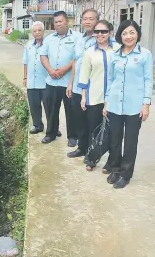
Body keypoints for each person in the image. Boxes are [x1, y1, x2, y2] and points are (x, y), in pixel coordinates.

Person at [103, 20, 153, 188]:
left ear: (137, 34)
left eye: (132, 32)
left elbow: (148, 80)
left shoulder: (145, 54)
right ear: (120, 36)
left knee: (130, 141)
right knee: (115, 139)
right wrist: (106, 102)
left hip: (134, 106)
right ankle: (115, 169)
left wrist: (146, 104)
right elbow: (110, 80)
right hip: (115, 104)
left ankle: (126, 174)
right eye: (125, 33)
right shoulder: (115, 55)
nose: (128, 36)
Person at [78, 20, 121, 171]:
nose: (100, 34)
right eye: (97, 32)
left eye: (103, 31)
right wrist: (83, 97)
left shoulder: (118, 49)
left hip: (115, 98)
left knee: (114, 131)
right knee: (94, 130)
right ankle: (92, 159)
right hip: (95, 97)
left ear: (110, 32)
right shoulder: (89, 52)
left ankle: (111, 162)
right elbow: (84, 76)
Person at [40, 11, 79, 145]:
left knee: (71, 110)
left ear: (67, 21)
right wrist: (50, 70)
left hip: (69, 82)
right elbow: (43, 56)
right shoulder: (49, 38)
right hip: (52, 81)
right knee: (51, 109)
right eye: (56, 22)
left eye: (60, 21)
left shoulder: (77, 37)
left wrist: (64, 69)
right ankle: (51, 133)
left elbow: (77, 57)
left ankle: (73, 137)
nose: (58, 24)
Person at [66, 9, 98, 158]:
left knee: (93, 122)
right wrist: (70, 83)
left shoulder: (102, 39)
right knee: (79, 119)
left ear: (97, 21)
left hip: (94, 89)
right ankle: (82, 148)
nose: (87, 22)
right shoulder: (79, 39)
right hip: (78, 87)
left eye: (91, 19)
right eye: (85, 18)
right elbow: (75, 61)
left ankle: (92, 151)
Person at [22, 21, 49, 134]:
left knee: (49, 107)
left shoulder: (48, 44)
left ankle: (53, 128)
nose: (37, 32)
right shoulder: (28, 45)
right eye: (35, 31)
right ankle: (37, 126)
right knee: (34, 105)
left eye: (39, 30)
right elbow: (25, 62)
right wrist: (25, 78)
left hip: (46, 82)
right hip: (32, 82)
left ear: (43, 31)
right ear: (32, 32)